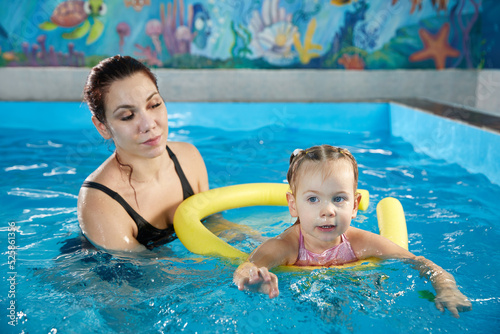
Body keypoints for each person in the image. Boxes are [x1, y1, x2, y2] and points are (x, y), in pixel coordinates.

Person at [233, 144, 472, 318]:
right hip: (293, 297)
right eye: (313, 199)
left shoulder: (360, 242)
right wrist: (253, 280)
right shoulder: (285, 246)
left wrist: (447, 288)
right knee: (246, 237)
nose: (328, 211)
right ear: (293, 205)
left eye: (338, 198)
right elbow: (246, 267)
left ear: (355, 205)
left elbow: (419, 262)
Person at [78, 55, 208, 251]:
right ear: (102, 127)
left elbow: (213, 225)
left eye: (154, 105)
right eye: (127, 116)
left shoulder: (189, 158)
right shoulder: (100, 201)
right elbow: (147, 275)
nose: (149, 125)